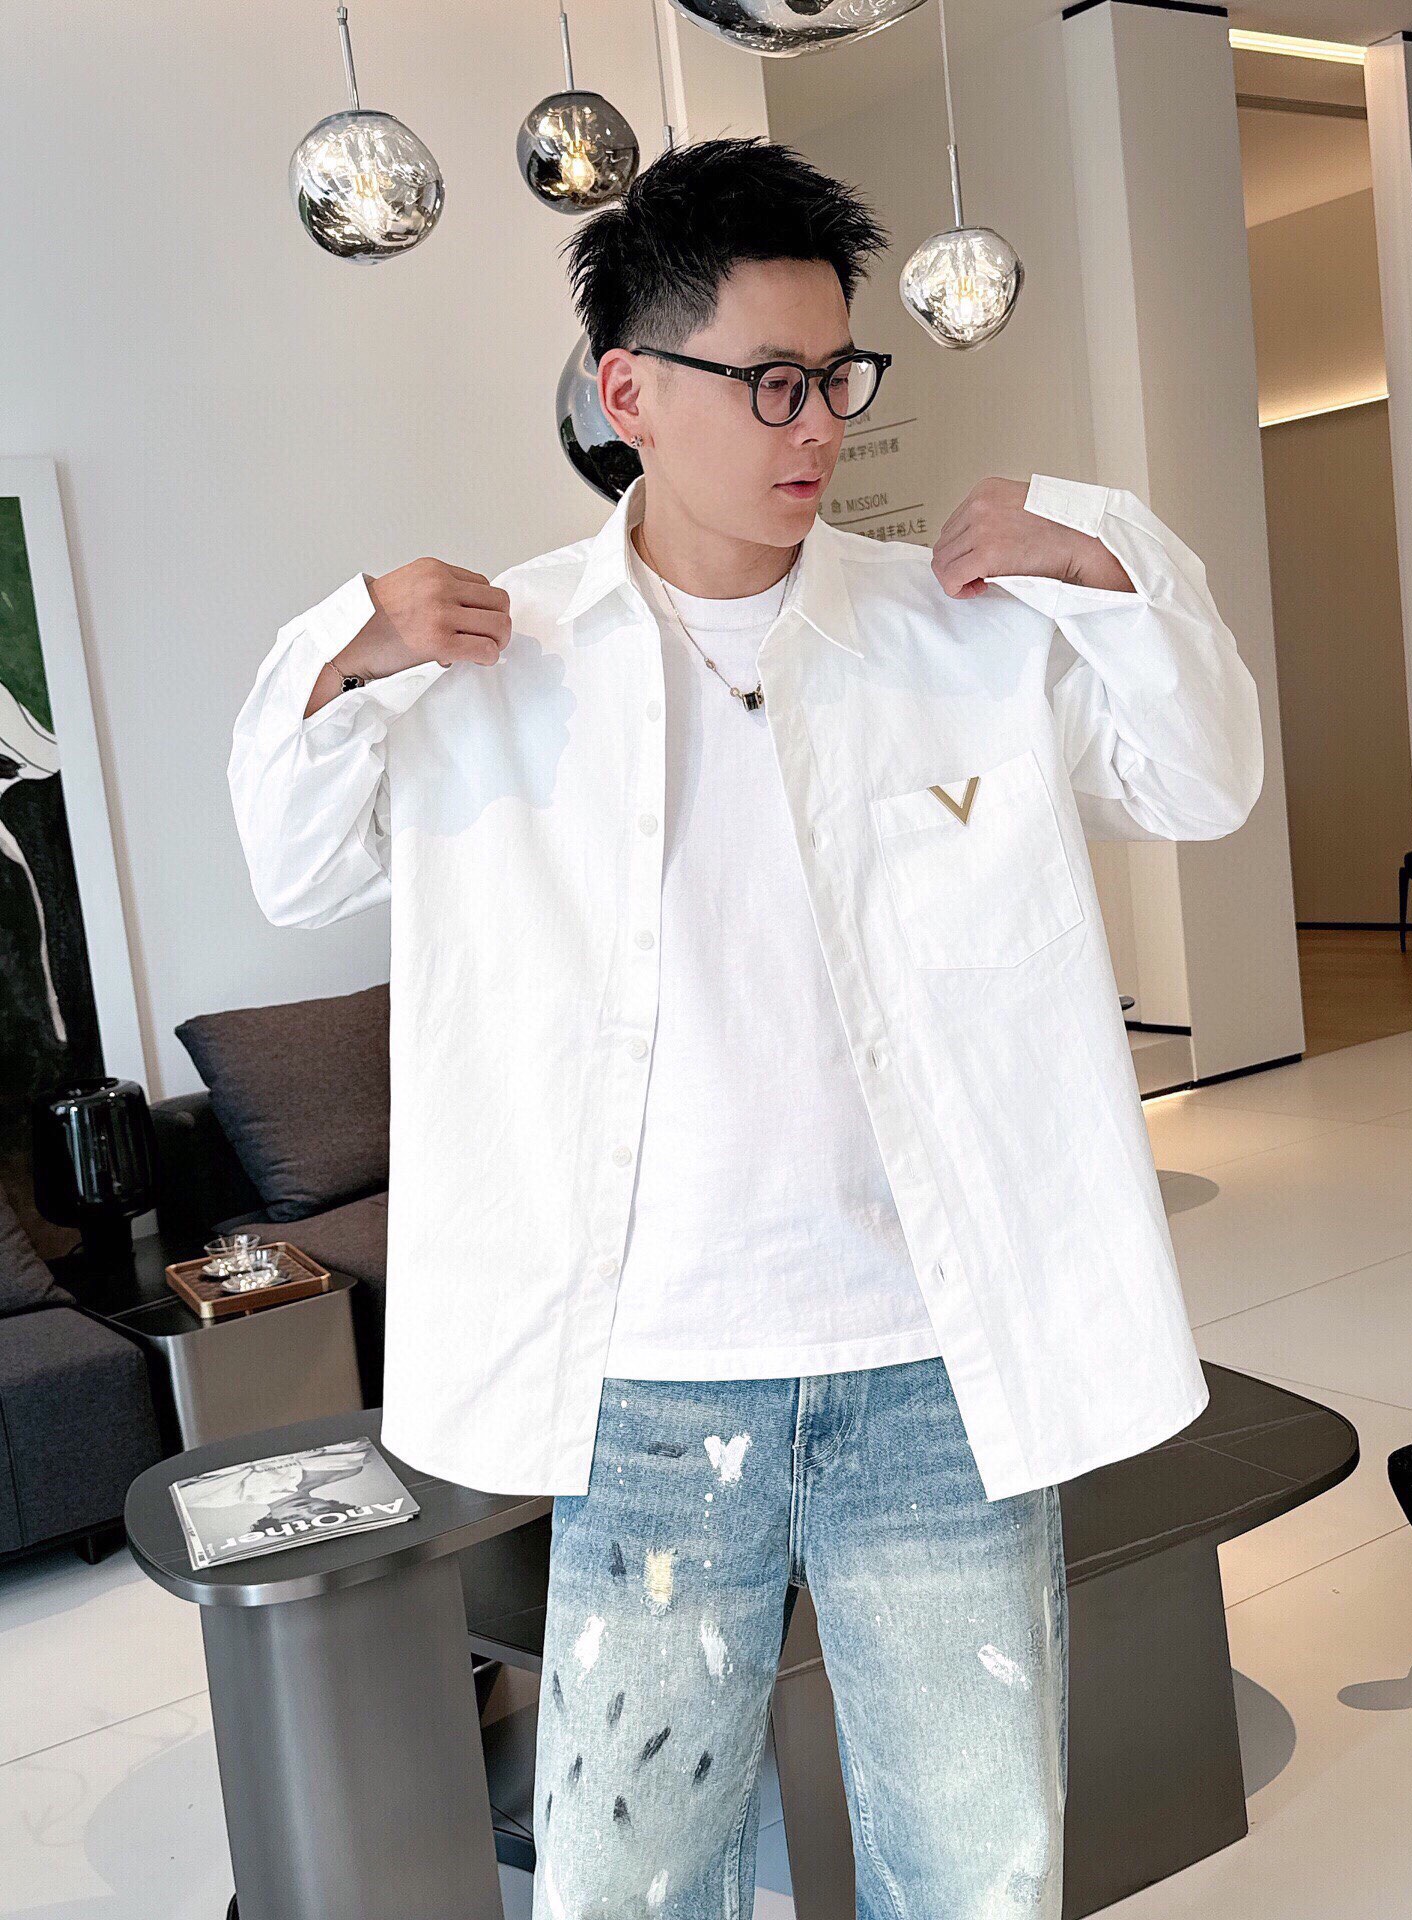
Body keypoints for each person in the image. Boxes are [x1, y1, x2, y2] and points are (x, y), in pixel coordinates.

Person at [228, 136, 1263, 1917]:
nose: (817, 426)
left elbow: (1203, 778)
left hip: (932, 1368)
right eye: (769, 381)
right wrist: (348, 646)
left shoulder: (954, 633)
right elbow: (292, 866)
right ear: (628, 389)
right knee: (631, 1876)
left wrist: (1101, 556)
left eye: (839, 377)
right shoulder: (493, 663)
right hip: (647, 1375)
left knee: (980, 1865)